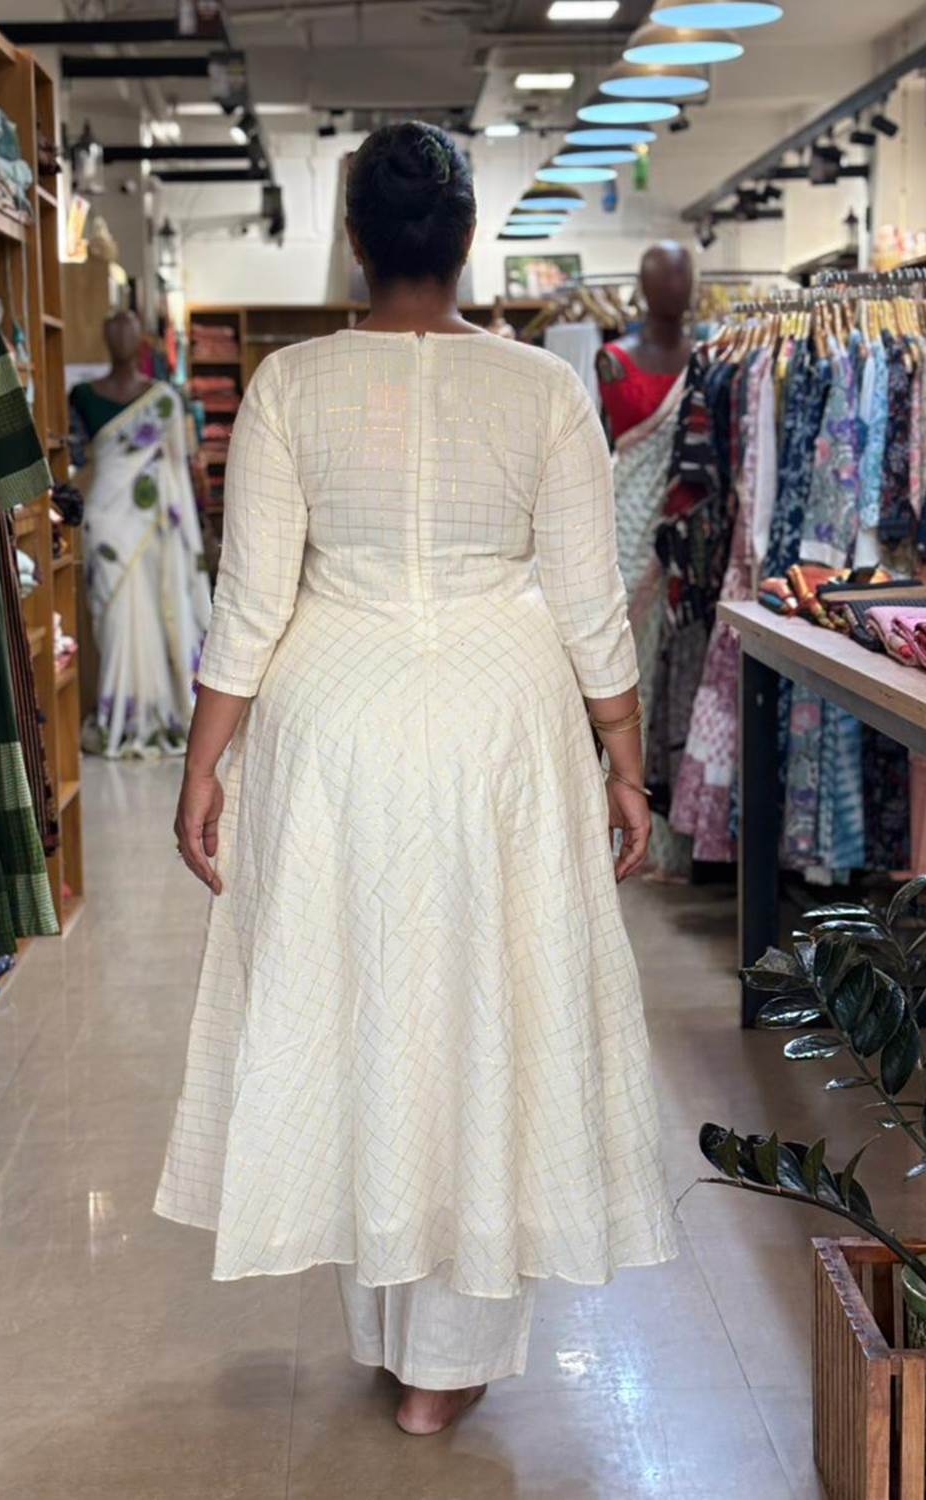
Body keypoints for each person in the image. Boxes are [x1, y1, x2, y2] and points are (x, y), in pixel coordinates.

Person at [156, 121, 675, 1437]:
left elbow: (251, 601)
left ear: (354, 243)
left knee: (363, 1008)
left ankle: (397, 1329)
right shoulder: (544, 389)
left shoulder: (289, 385)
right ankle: (442, 1360)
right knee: (483, 1011)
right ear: (467, 242)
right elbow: (588, 602)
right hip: (499, 724)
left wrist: (205, 763)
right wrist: (624, 761)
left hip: (337, 724)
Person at [70, 309, 211, 759]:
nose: (121, 339)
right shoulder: (81, 395)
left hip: (155, 524)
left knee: (155, 610)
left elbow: (177, 470)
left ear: (141, 341)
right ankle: (120, 712)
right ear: (104, 338)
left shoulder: (164, 400)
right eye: (113, 332)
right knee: (114, 621)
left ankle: (157, 709)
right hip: (106, 523)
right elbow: (75, 457)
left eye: (128, 332)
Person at [596, 243, 695, 880]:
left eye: (683, 276)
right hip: (629, 526)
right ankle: (622, 809)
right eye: (664, 277)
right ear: (643, 284)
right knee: (622, 670)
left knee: (679, 669)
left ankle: (677, 835)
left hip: (688, 536)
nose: (676, 288)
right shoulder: (614, 358)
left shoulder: (710, 358)